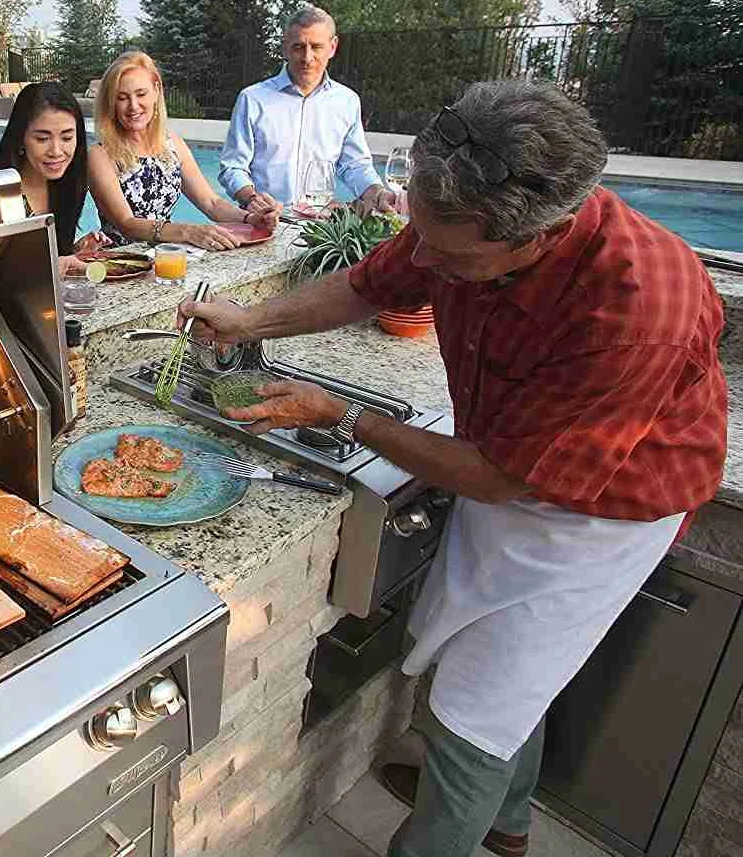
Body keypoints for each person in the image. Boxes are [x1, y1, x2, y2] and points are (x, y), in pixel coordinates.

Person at [178, 79, 726, 857]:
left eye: (450, 252)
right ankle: (508, 824)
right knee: (512, 686)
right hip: (515, 462)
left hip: (603, 514)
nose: (424, 259)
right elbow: (372, 284)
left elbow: (508, 479)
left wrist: (343, 416)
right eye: (423, 235)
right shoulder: (459, 215)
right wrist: (251, 317)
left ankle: (456, 823)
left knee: (473, 720)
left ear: (543, 236)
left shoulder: (636, 314)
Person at [87, 51, 280, 250]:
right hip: (122, 266)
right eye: (122, 98)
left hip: (166, 258)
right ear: (111, 103)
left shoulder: (172, 144)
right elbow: (126, 224)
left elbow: (211, 203)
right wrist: (188, 232)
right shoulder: (100, 155)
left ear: (156, 91)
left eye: (141, 94)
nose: (133, 106)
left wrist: (250, 218)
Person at [218, 5, 396, 215]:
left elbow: (354, 165)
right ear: (285, 47)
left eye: (316, 47)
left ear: (333, 47)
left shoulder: (347, 102)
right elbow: (233, 167)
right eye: (298, 47)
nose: (307, 57)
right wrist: (252, 199)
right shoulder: (253, 99)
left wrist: (377, 192)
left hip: (322, 226)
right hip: (264, 221)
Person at [0, 81, 106, 275]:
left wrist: (76, 251)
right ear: (21, 138)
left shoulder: (69, 184)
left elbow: (46, 257)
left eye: (67, 138)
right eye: (42, 139)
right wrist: (55, 265)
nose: (56, 151)